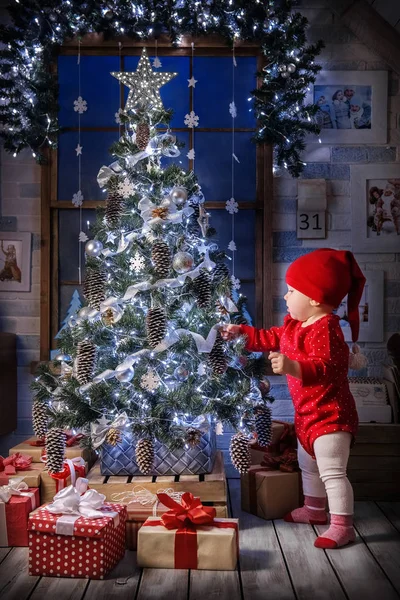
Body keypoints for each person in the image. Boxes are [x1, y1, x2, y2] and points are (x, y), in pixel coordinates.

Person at [221, 248, 366, 549]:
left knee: (333, 472)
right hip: (306, 414)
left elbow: (329, 368)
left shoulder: (327, 328)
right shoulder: (294, 325)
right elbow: (269, 337)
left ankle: (342, 524)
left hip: (331, 416)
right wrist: (241, 333)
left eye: (290, 291)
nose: (285, 297)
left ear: (314, 298)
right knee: (308, 465)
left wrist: (292, 367)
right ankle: (314, 510)